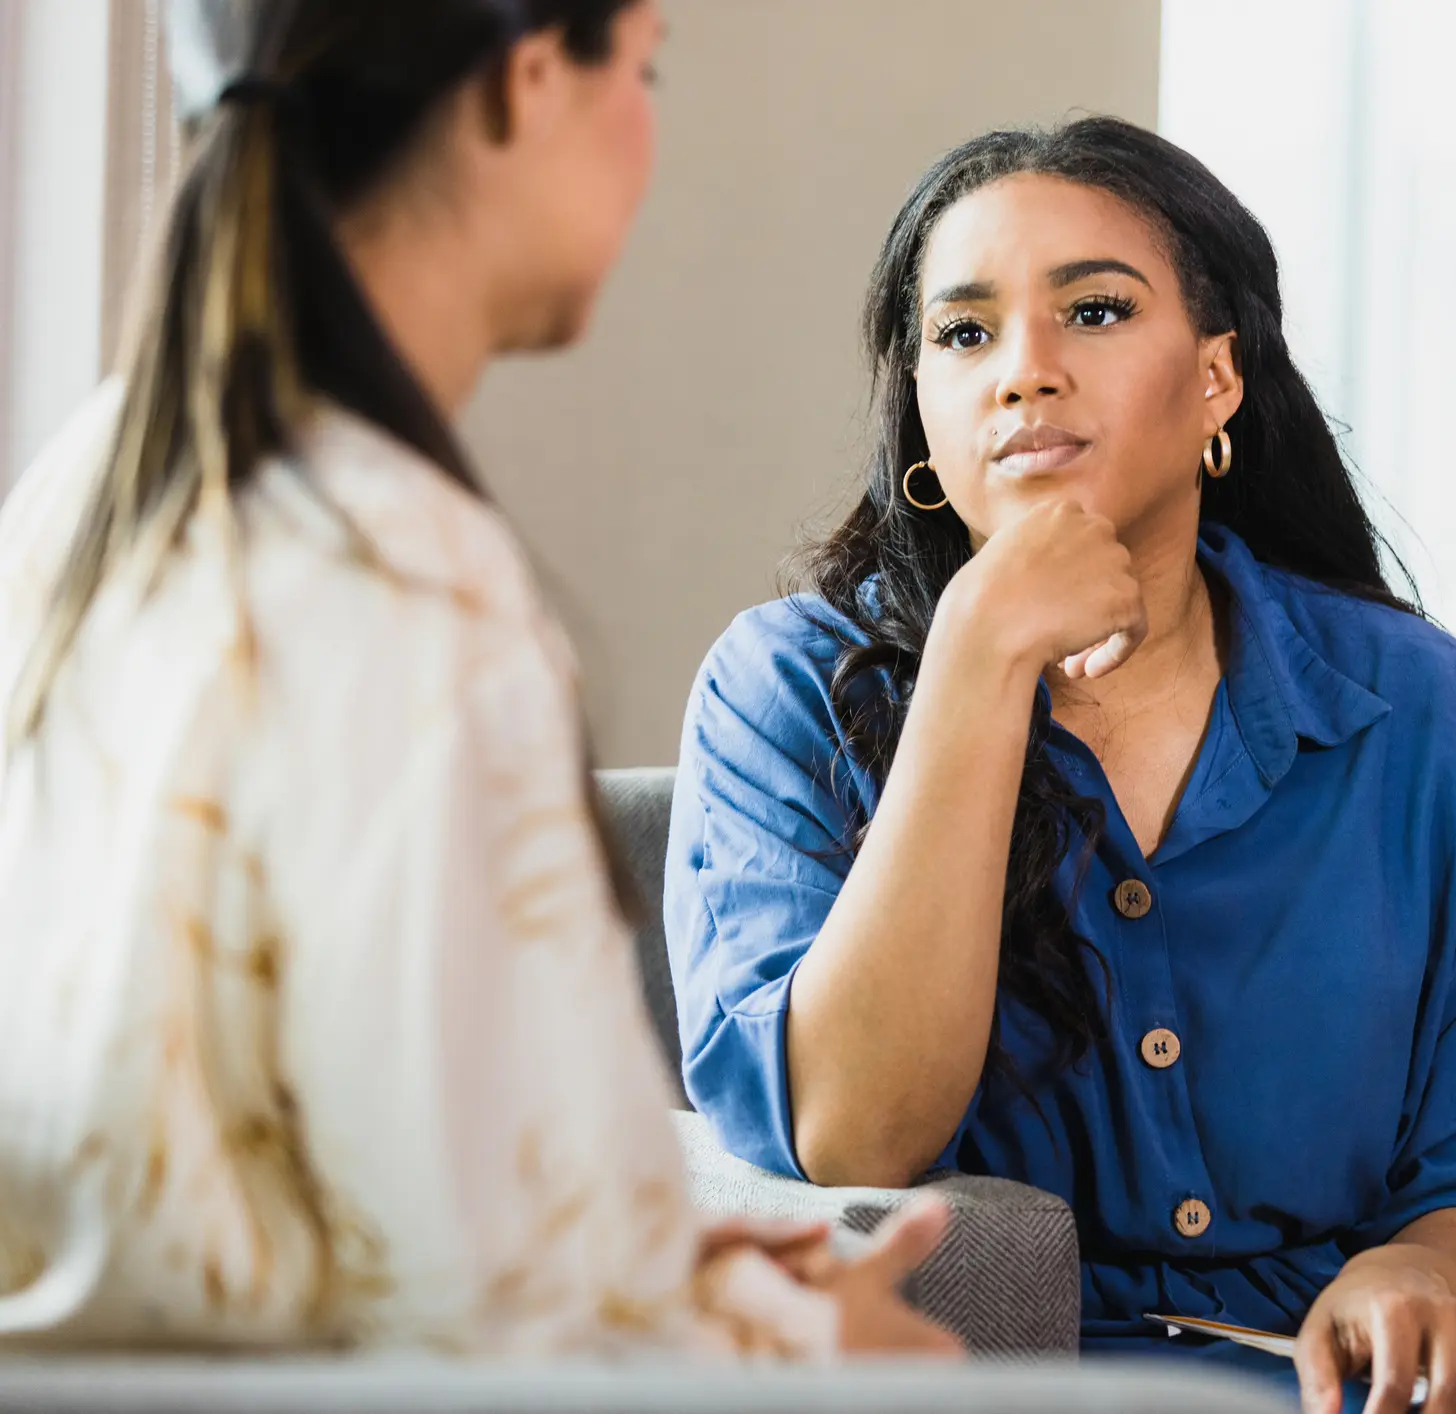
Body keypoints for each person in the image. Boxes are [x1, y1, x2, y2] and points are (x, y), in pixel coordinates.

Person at [666, 118, 1456, 1414]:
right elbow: (853, 1132)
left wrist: (1414, 1280)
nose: (1023, 371)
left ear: (1220, 379)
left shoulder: (1419, 706)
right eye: (964, 334)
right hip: (1041, 1376)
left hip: (1386, 1379)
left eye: (1096, 312)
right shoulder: (783, 689)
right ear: (923, 418)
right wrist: (978, 659)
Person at [0, 0, 956, 1360]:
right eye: (642, 68)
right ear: (522, 83)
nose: (647, 132)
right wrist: (792, 1345)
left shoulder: (97, 484)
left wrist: (669, 1261)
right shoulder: (405, 576)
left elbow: (339, 1151)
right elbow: (509, 1325)